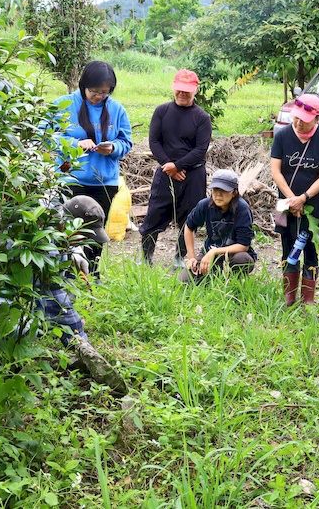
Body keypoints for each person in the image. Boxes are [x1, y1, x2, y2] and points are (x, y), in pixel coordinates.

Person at [34, 195, 128, 395]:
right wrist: (79, 339)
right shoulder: (43, 238)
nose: (86, 240)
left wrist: (76, 251)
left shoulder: (60, 220)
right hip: (11, 289)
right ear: (69, 224)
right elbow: (56, 300)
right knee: (29, 322)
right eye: (84, 235)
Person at [54, 61, 133, 276]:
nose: (98, 97)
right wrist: (74, 145)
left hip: (104, 183)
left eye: (104, 93)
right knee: (68, 231)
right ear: (83, 86)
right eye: (94, 92)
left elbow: (126, 142)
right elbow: (46, 136)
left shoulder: (117, 110)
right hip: (71, 181)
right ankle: (66, 275)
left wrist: (113, 147)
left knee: (96, 232)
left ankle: (92, 273)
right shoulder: (62, 105)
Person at [140, 69, 213, 266]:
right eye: (179, 89)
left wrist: (178, 166)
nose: (182, 94)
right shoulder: (162, 111)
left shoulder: (202, 117)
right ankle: (146, 258)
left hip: (193, 175)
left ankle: (181, 257)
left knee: (189, 216)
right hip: (165, 172)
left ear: (195, 90)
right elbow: (154, 141)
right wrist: (168, 166)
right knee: (154, 214)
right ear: (174, 88)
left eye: (187, 90)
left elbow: (200, 149)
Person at [270, 94, 319, 305]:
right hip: (287, 204)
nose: (299, 123)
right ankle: (289, 296)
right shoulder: (282, 136)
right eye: (296, 118)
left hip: (315, 204)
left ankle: (308, 300)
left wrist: (305, 197)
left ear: (317, 118)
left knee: (310, 249)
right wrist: (292, 199)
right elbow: (276, 171)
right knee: (288, 246)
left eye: (305, 120)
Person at [178, 169, 257, 283]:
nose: (218, 195)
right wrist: (191, 257)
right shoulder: (204, 205)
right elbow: (189, 227)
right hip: (210, 254)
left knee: (242, 259)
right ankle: (214, 275)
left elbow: (243, 245)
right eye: (215, 190)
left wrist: (214, 251)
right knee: (185, 281)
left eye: (224, 191)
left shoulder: (242, 208)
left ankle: (234, 282)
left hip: (234, 254)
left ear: (234, 193)